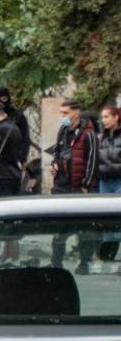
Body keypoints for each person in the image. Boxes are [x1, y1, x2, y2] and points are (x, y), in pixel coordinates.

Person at [51, 99, 99, 272]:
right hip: (61, 185)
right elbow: (56, 152)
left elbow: (92, 161)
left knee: (83, 227)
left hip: (79, 186)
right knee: (58, 226)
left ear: (76, 113)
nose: (62, 116)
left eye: (66, 113)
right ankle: (56, 262)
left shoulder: (88, 134)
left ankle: (84, 262)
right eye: (61, 113)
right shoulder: (63, 131)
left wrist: (86, 185)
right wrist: (54, 165)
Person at [0, 87, 31, 165]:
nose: (1, 102)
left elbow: (25, 138)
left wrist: (22, 158)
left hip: (15, 159)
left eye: (4, 99)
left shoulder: (17, 116)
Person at [99, 104, 121, 194]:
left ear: (116, 117)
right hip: (104, 182)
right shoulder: (102, 138)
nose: (103, 120)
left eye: (106, 117)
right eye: (102, 117)